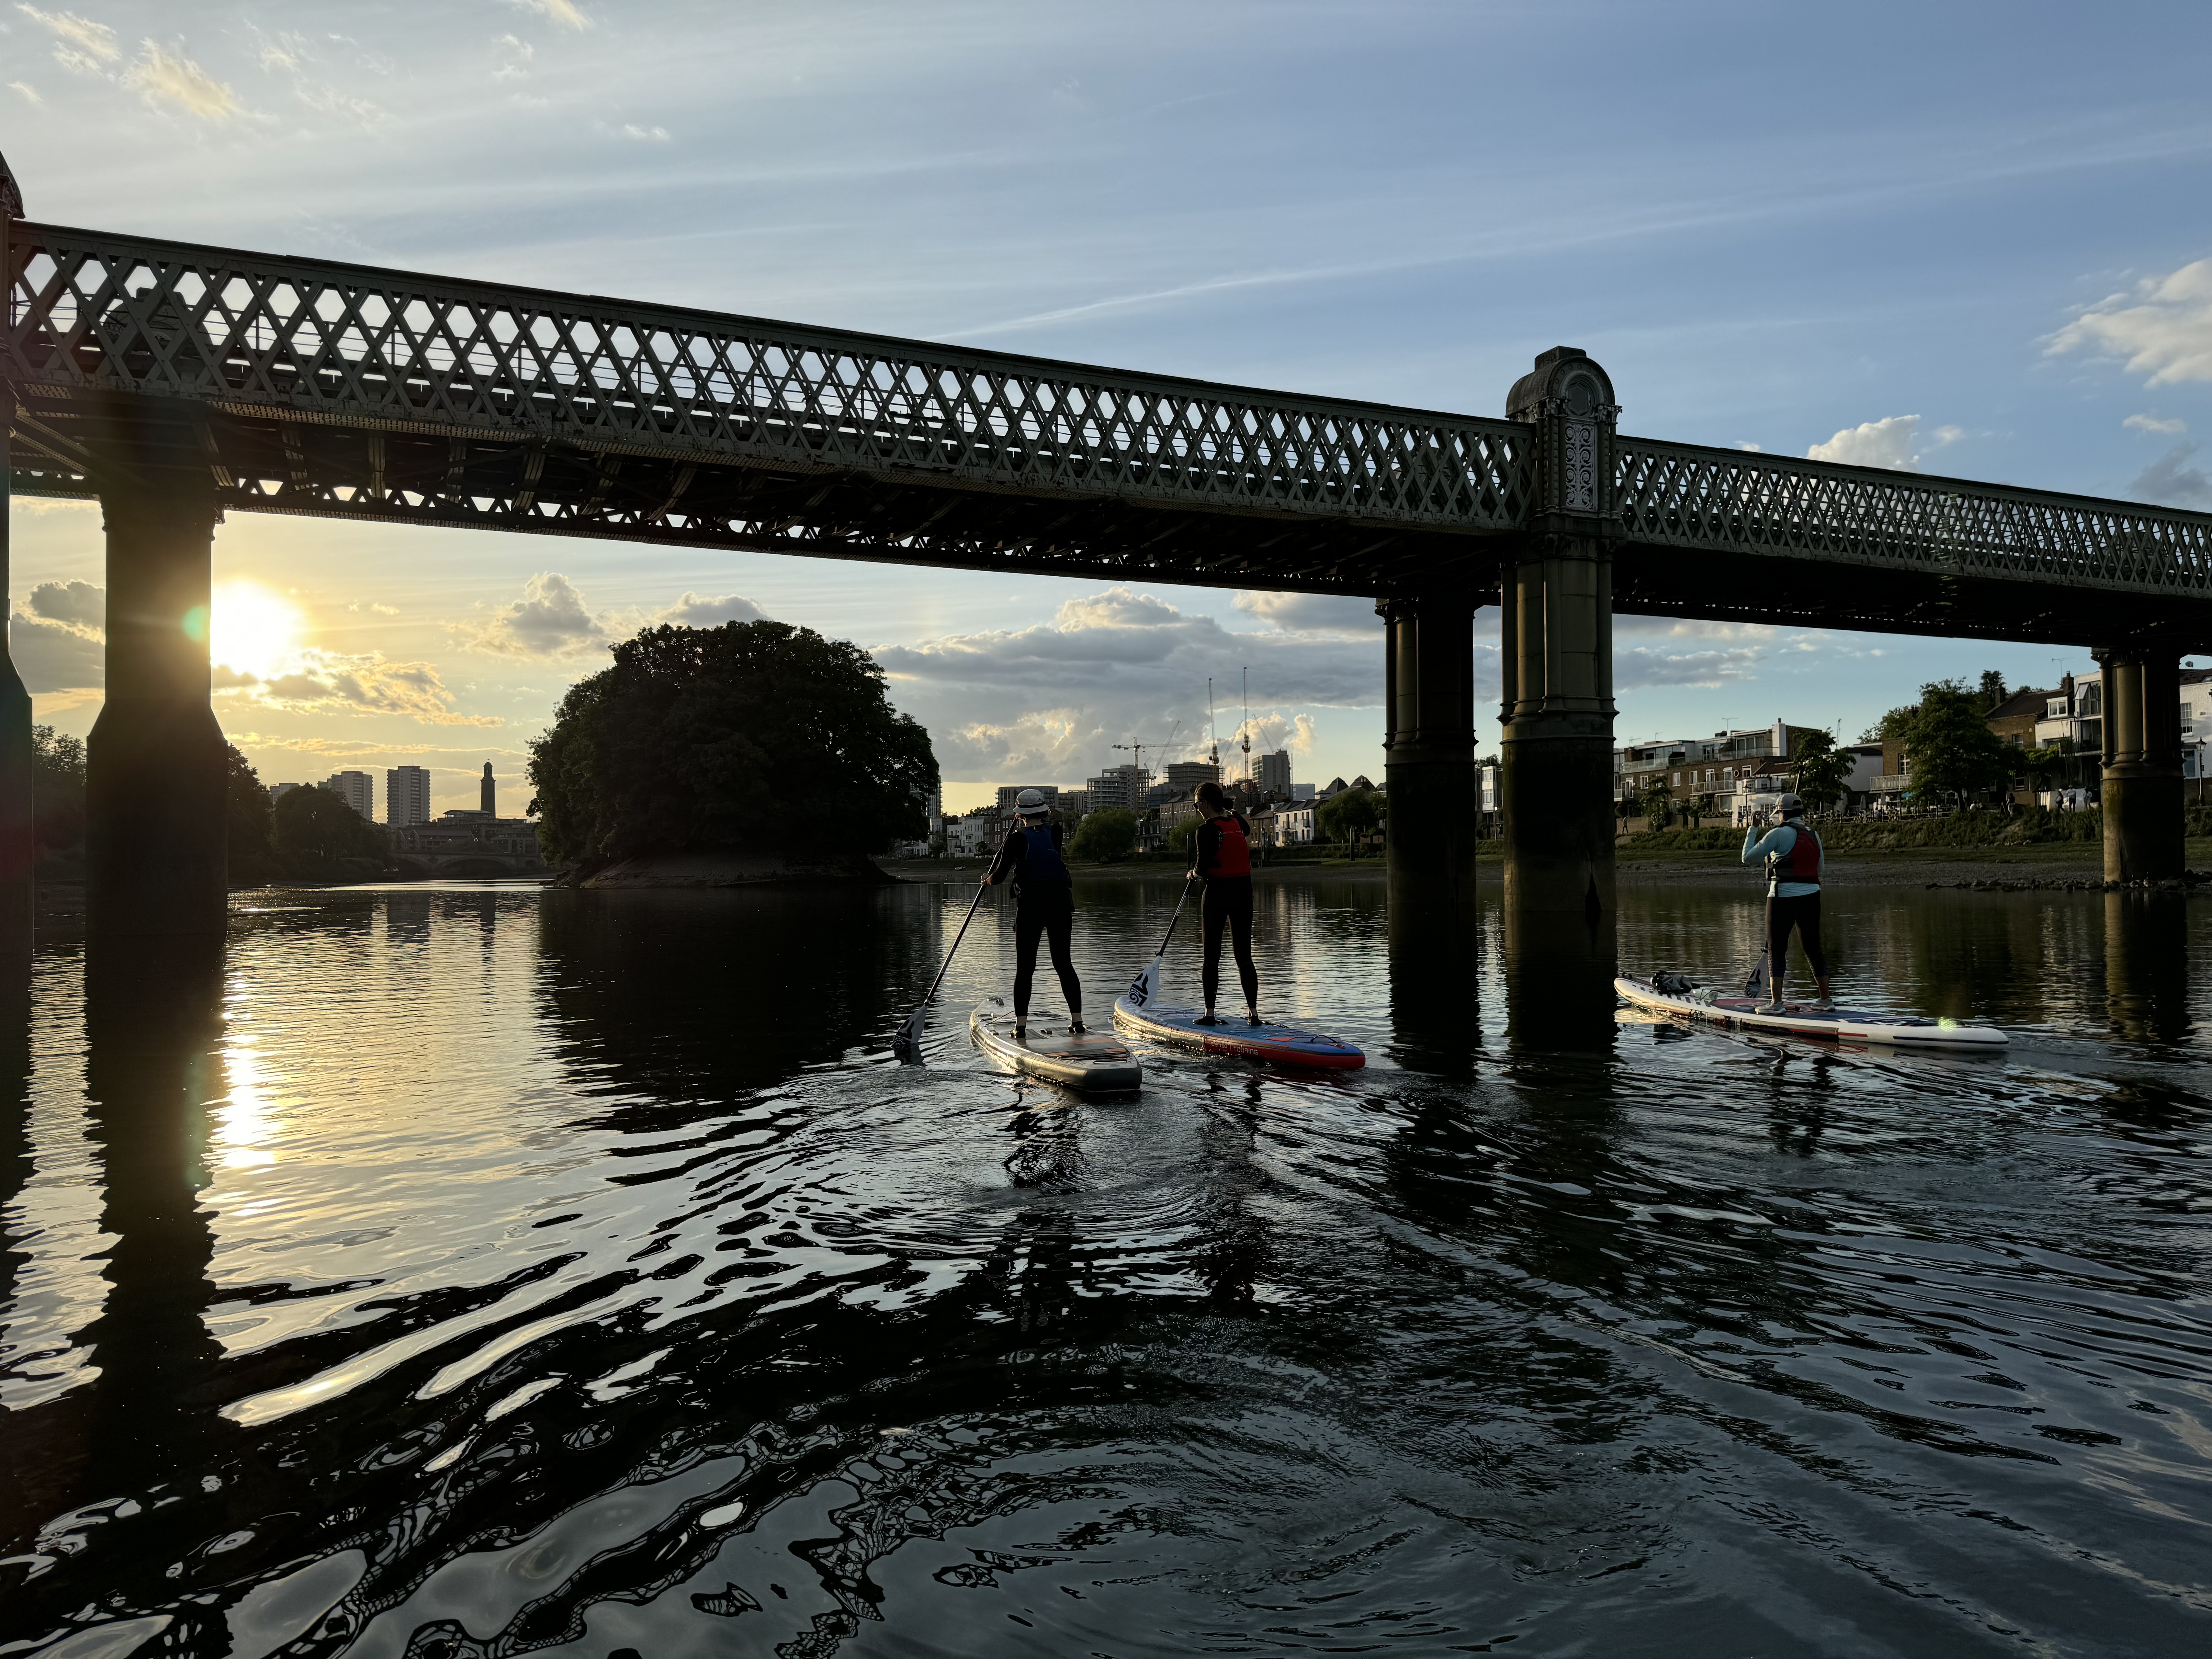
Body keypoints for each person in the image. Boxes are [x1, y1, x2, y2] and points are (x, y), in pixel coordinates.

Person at [984, 789, 1084, 1036]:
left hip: (1031, 907)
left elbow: (1000, 876)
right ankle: (1078, 1022)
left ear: (1019, 815)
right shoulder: (1057, 832)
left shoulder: (1016, 839)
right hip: (1060, 904)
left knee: (1025, 968)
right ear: (1045, 811)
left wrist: (987, 880)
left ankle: (1020, 1027)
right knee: (1064, 964)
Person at [1741, 791, 1829, 1010]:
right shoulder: (1813, 834)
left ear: (1782, 813)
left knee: (1777, 949)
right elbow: (1821, 869)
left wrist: (1753, 829)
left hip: (1783, 897)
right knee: (1813, 948)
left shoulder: (1777, 834)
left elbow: (1747, 857)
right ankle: (1826, 1000)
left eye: (1779, 813)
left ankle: (1777, 1003)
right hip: (1812, 897)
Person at [1185, 780, 1261, 1027]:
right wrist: (1230, 809)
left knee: (1211, 957)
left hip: (1218, 894)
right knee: (1244, 956)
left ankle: (1209, 1015)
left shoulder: (1205, 830)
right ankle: (1254, 1014)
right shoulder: (1237, 824)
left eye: (1197, 805)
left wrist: (1193, 874)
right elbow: (1247, 829)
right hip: (1243, 894)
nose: (1197, 809)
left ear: (1205, 804)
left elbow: (1203, 864)